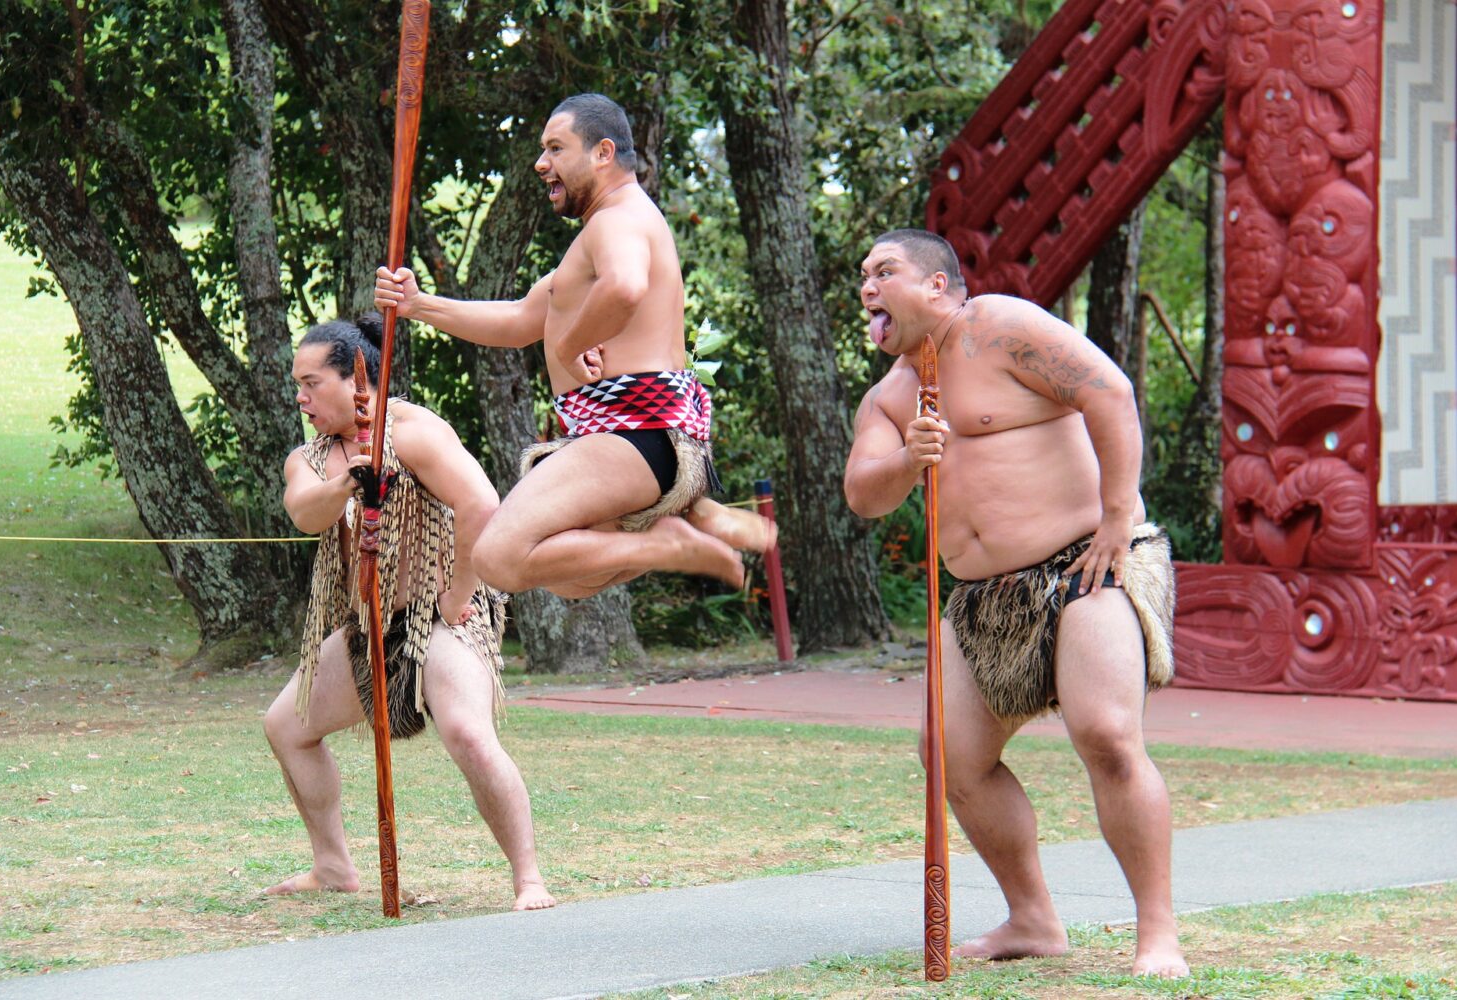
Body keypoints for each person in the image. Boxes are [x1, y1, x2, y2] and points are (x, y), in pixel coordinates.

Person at [843, 229, 1186, 977]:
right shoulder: (891, 396)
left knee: (1105, 734)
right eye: (862, 277)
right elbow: (864, 493)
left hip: (1083, 565)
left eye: (885, 272)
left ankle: (1156, 933)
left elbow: (1109, 391)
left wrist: (1119, 517)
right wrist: (909, 457)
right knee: (954, 760)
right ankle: (1032, 918)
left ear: (938, 287)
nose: (867, 287)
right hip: (979, 600)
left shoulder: (999, 327)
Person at [374, 92, 772, 600]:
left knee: (498, 556)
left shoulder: (617, 219)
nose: (542, 164)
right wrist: (418, 304)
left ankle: (667, 544)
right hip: (638, 438)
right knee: (573, 580)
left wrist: (571, 347)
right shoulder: (604, 231)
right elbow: (521, 319)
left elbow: (625, 286)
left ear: (602, 153)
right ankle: (672, 528)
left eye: (556, 148)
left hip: (635, 435)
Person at [262, 316, 555, 911]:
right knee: (286, 726)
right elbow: (304, 512)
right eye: (298, 383)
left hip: (441, 617)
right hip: (367, 628)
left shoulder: (415, 432)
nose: (300, 397)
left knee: (469, 733)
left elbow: (482, 503)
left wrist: (459, 593)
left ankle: (529, 880)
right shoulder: (312, 458)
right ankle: (333, 865)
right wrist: (347, 482)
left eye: (312, 382)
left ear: (358, 378)